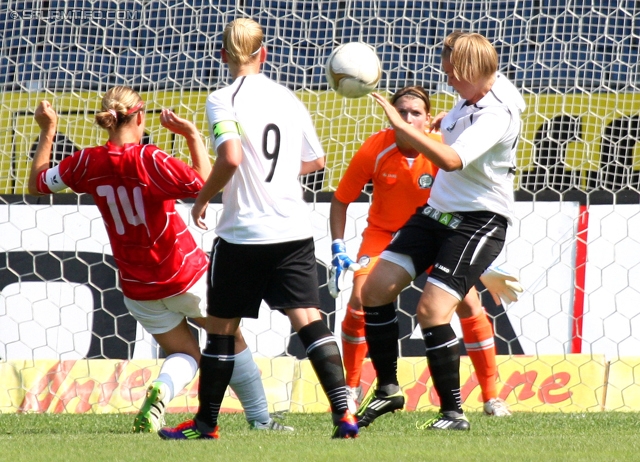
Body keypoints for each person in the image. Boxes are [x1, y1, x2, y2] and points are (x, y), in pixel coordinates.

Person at [28, 86, 291, 433]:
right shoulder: (150, 159)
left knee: (187, 354)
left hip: (138, 287)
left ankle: (161, 393)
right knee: (230, 338)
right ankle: (260, 420)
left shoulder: (86, 162)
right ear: (139, 118)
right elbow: (205, 184)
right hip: (184, 274)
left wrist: (48, 130)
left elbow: (37, 184)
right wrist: (193, 135)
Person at [157, 18, 358, 440]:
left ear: (223, 56)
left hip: (244, 234)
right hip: (293, 231)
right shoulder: (287, 97)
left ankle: (206, 424)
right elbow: (317, 160)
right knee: (308, 319)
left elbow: (230, 157)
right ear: (264, 53)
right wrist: (279, 176)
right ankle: (344, 413)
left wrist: (203, 197)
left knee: (221, 328)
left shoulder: (222, 99)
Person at [356, 31, 526, 431]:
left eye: (451, 71)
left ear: (469, 70)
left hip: (477, 220)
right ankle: (387, 389)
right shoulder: (481, 92)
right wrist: (439, 122)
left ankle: (453, 413)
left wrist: (404, 125)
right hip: (437, 213)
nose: (447, 78)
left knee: (432, 311)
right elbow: (457, 124)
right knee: (374, 290)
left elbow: (450, 160)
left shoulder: (496, 112)